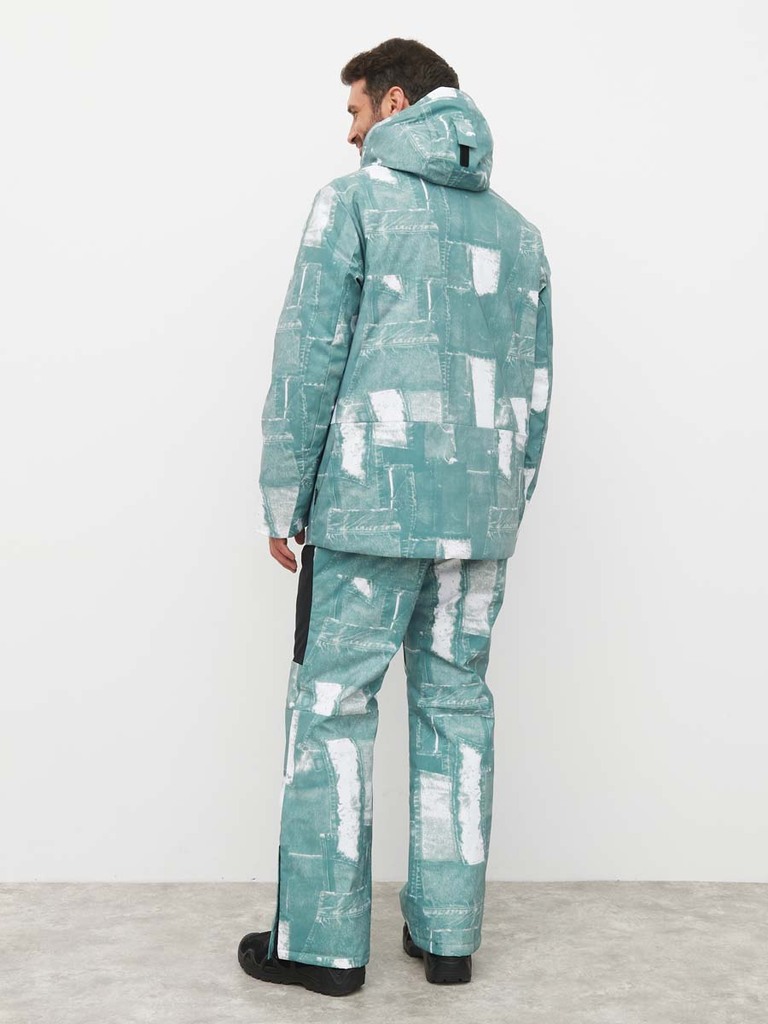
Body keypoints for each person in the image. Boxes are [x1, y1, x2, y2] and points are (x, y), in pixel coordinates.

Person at [237, 37, 554, 998]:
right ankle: (448, 941)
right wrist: (504, 503)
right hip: (478, 521)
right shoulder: (521, 234)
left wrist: (284, 497)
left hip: (369, 512)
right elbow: (535, 393)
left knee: (333, 708)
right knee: (457, 710)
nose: (349, 132)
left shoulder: (353, 203)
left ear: (397, 100)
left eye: (355, 110)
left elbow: (309, 358)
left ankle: (322, 950)